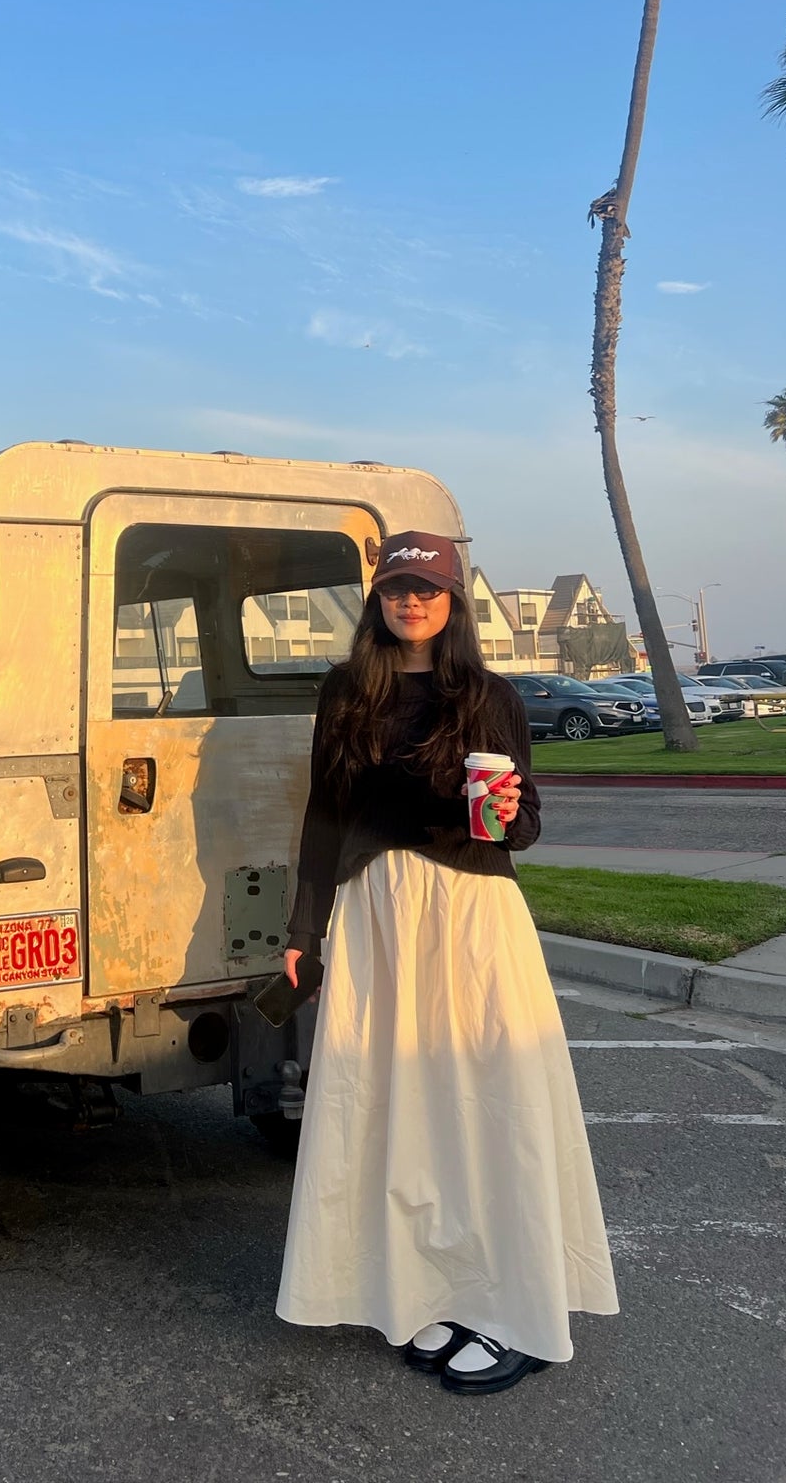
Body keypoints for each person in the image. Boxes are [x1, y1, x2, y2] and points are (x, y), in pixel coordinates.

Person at [276, 530, 618, 1395]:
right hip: (373, 916)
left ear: (453, 600)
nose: (411, 602)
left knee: (488, 1102)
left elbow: (522, 823)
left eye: (427, 589)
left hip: (468, 913)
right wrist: (300, 927)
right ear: (378, 600)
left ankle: (519, 1313)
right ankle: (425, 1284)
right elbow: (324, 814)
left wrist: (500, 813)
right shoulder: (346, 691)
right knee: (399, 1108)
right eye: (396, 589)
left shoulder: (490, 695)